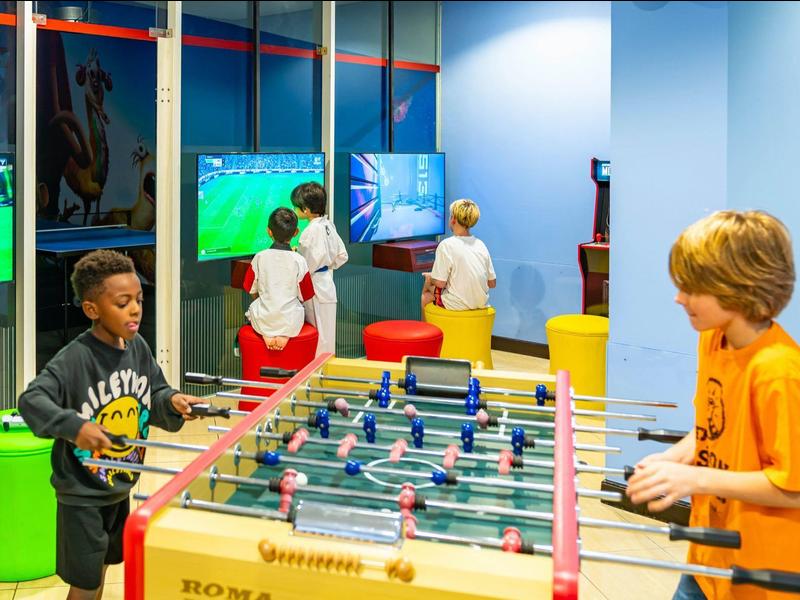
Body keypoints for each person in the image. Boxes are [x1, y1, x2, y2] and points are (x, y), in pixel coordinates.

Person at [626, 210, 800, 600]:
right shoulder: (713, 339)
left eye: (691, 287)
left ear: (737, 287)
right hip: (710, 558)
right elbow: (710, 430)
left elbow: (793, 487)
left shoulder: (779, 372)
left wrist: (696, 479)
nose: (678, 297)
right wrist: (673, 460)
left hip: (761, 577)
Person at [17, 249, 203, 600]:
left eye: (138, 299)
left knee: (101, 571)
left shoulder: (137, 346)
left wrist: (174, 401)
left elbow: (156, 392)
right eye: (122, 303)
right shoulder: (74, 358)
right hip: (82, 497)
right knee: (85, 585)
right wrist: (74, 426)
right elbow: (31, 400)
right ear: (92, 309)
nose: (134, 309)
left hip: (118, 485)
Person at [246, 207, 316, 351]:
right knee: (296, 310)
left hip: (264, 318)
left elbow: (250, 288)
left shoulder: (259, 257)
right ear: (296, 232)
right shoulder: (299, 260)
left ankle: (266, 332)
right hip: (291, 321)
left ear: (268, 231)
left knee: (253, 309)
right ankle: (284, 334)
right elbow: (306, 294)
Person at [291, 182, 348, 356]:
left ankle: (316, 377)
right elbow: (342, 255)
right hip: (326, 284)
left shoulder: (310, 232)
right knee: (327, 336)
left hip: (314, 288)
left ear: (306, 210)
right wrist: (327, 265)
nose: (295, 210)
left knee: (318, 338)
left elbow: (304, 266)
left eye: (296, 207)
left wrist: (296, 255)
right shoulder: (328, 224)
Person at [422, 198, 496, 311]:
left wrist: (430, 278)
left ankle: (427, 328)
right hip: (481, 303)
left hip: (455, 305)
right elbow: (492, 283)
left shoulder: (446, 245)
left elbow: (440, 283)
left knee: (426, 293)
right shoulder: (481, 244)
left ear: (453, 219)